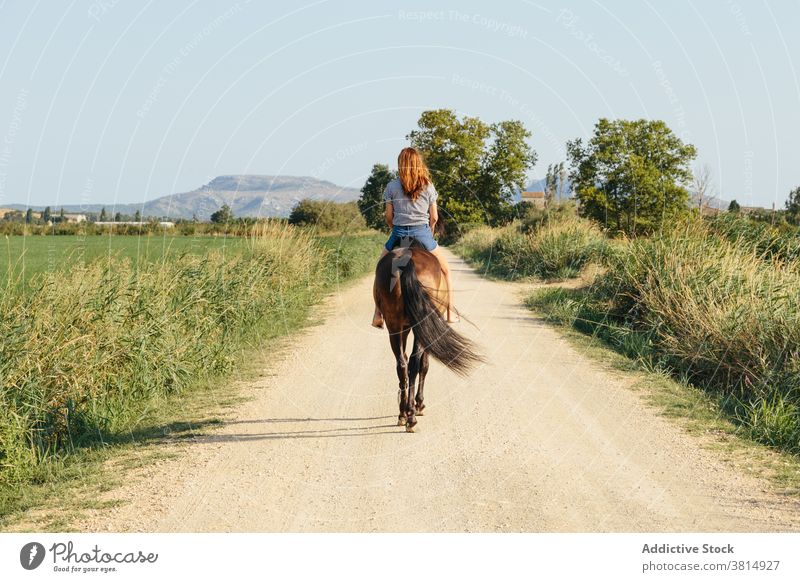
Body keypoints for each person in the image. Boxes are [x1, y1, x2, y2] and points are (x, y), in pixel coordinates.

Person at [371, 147, 459, 328]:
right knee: (446, 270)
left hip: (398, 234)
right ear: (418, 163)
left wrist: (394, 228)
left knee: (379, 269)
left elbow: (389, 216)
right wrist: (430, 231)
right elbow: (434, 217)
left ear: (400, 165)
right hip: (422, 233)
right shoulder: (428, 186)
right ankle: (450, 312)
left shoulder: (391, 187)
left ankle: (377, 313)